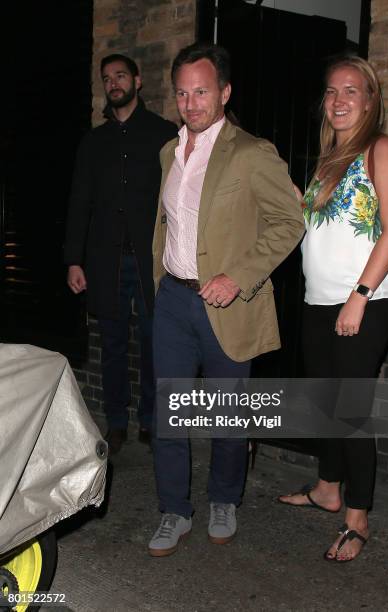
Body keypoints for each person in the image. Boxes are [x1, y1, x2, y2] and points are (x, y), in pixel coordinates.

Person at [148, 42, 304, 557]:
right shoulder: (169, 152)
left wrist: (239, 276)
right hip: (173, 300)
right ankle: (173, 509)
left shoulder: (250, 152)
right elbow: (166, 224)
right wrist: (160, 283)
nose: (191, 103)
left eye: (202, 91)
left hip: (226, 305)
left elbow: (290, 221)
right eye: (182, 93)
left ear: (224, 92)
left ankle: (223, 499)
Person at [278, 56, 388, 562]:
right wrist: (292, 196)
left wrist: (360, 296)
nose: (338, 100)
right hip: (317, 302)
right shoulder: (329, 161)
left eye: (351, 91)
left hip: (365, 301)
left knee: (351, 414)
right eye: (331, 91)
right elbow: (316, 228)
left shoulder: (383, 149)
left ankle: (358, 519)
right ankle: (328, 488)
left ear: (371, 100)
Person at [64, 54, 178, 454]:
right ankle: (116, 421)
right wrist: (73, 259)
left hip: (152, 262)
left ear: (137, 80)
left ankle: (149, 420)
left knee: (153, 343)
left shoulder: (166, 134)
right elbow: (80, 201)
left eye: (120, 76)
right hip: (104, 261)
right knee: (111, 345)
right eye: (107, 78)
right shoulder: (94, 142)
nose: (113, 83)